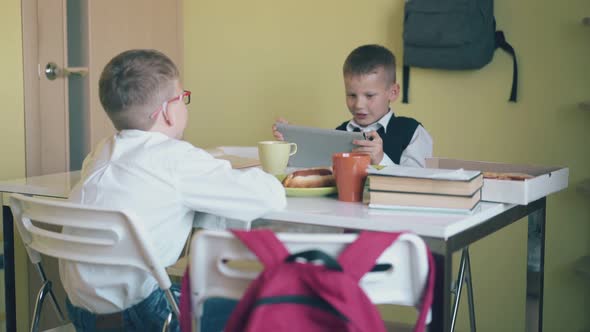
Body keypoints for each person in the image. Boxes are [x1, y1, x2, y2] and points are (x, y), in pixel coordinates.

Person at [60, 49, 286, 331]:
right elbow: (270, 196)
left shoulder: (100, 152)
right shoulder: (176, 158)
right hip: (145, 317)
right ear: (167, 111)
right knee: (257, 309)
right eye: (183, 97)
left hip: (82, 315)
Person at [273, 44, 432, 167]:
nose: (358, 105)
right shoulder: (338, 134)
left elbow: (416, 181)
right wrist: (292, 144)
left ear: (393, 92)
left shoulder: (412, 132)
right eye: (351, 95)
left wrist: (381, 160)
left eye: (369, 96)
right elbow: (317, 174)